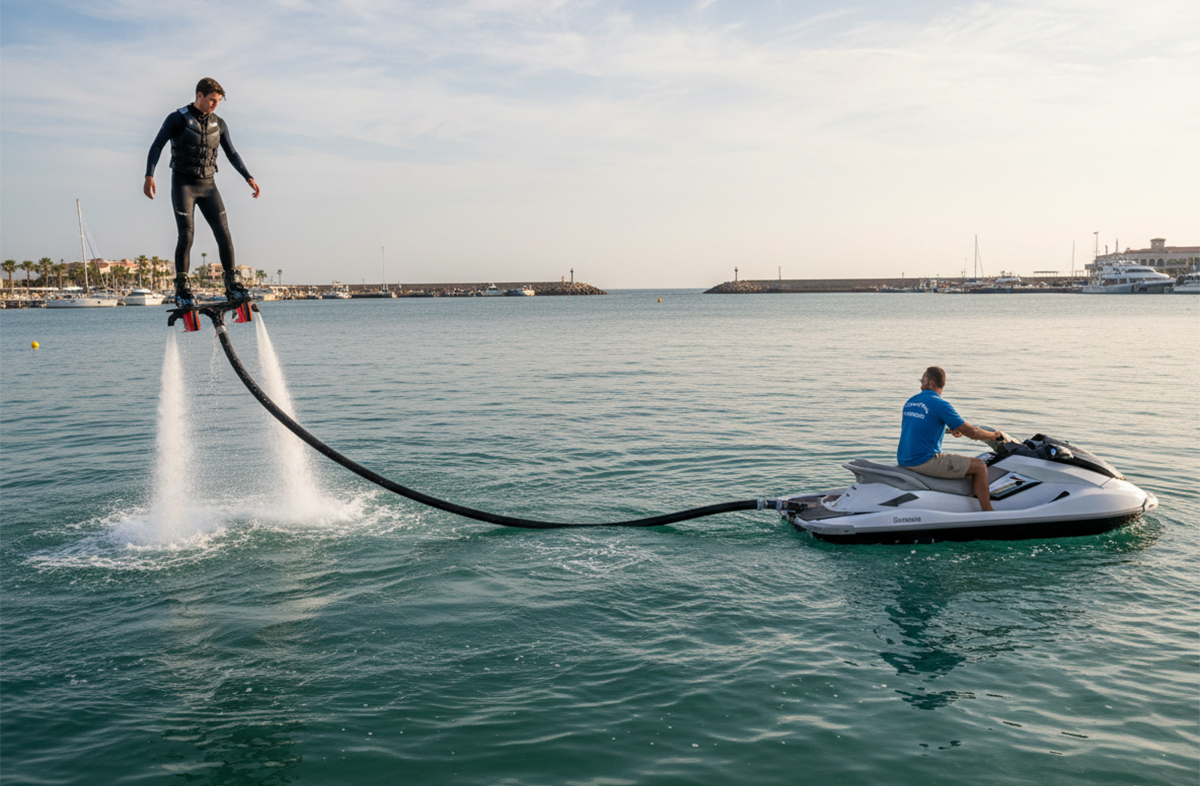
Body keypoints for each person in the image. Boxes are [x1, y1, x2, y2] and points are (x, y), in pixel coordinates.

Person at [145, 77, 260, 307]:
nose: (214, 105)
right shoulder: (177, 118)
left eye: (217, 101)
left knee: (224, 232)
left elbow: (232, 153)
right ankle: (183, 289)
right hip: (183, 185)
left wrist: (248, 176)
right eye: (212, 100)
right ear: (199, 96)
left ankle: (232, 285)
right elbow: (157, 145)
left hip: (208, 185)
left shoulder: (220, 124)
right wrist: (150, 175)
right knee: (187, 234)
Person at [897, 366, 1004, 511]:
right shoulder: (939, 404)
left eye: (923, 379)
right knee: (980, 466)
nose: (921, 382)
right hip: (924, 460)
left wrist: (948, 430)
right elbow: (972, 432)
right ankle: (989, 512)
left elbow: (922, 426)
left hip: (904, 458)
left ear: (932, 382)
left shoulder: (911, 402)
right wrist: (994, 436)